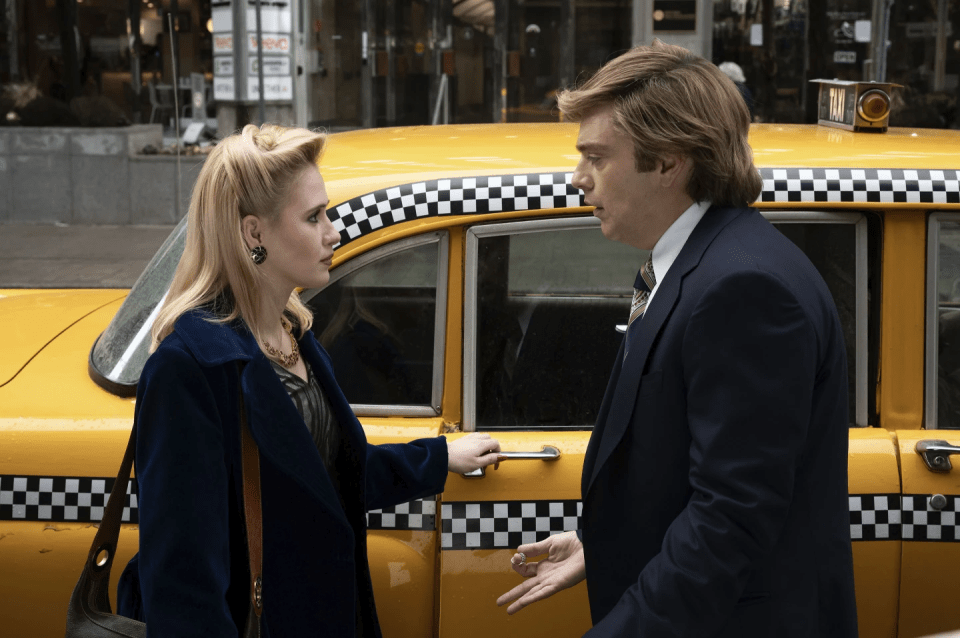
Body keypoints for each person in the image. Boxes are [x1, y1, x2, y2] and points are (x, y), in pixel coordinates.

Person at [497, 41, 858, 637]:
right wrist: (601, 547)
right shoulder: (704, 262)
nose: (577, 178)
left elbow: (731, 517)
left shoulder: (743, 287)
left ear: (669, 162)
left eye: (596, 156)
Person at [116, 124, 502, 637]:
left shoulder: (295, 333)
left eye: (328, 213)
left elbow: (331, 476)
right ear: (254, 234)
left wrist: (438, 458)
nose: (333, 233)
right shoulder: (192, 366)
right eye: (313, 217)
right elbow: (183, 580)